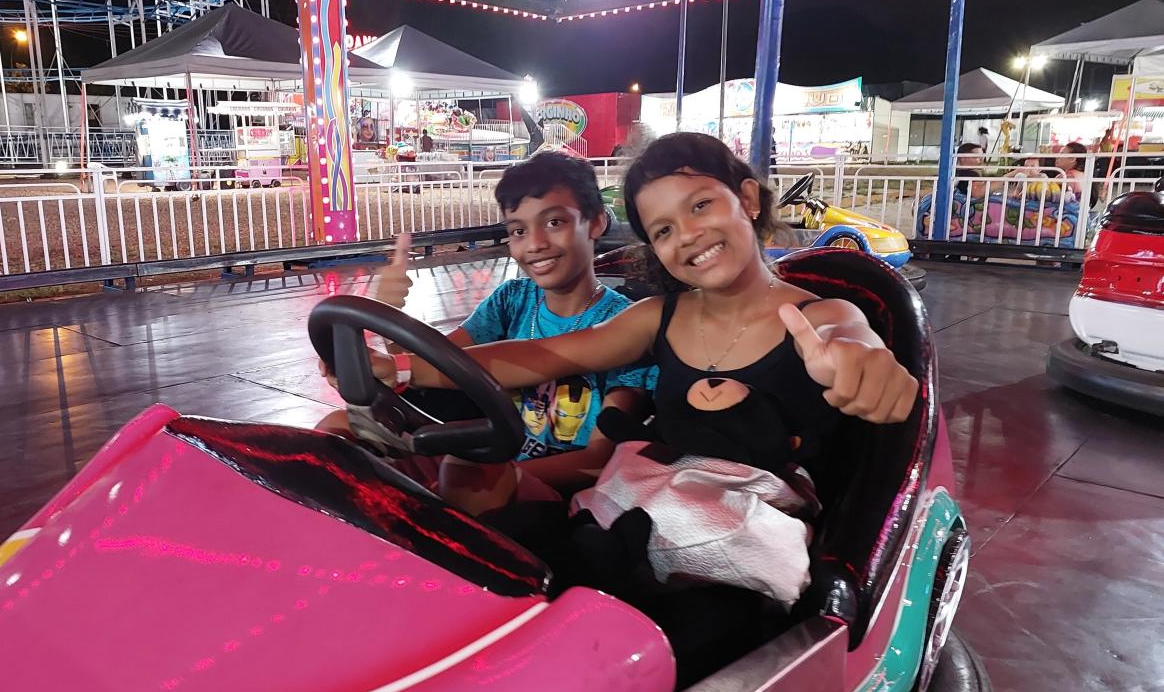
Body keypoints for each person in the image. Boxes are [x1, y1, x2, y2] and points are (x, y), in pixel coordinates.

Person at [353, 133, 919, 511]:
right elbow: (538, 358)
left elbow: (851, 342)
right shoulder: (658, 317)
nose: (689, 235)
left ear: (747, 199)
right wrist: (396, 367)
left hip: (759, 533)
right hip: (660, 511)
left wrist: (862, 366)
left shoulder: (825, 314)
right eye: (664, 230)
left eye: (701, 206)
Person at [316, 151, 655, 514]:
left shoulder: (625, 325)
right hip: (484, 460)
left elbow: (598, 458)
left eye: (554, 222)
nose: (535, 243)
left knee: (466, 475)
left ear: (596, 223)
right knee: (334, 432)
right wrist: (386, 316)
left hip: (557, 492)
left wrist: (493, 471)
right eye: (518, 231)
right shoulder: (512, 299)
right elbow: (441, 361)